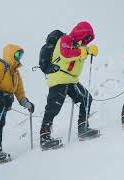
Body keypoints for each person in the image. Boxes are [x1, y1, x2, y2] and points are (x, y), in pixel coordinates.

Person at [40, 21, 100, 150]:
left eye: (89, 39)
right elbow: (66, 54)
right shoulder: (65, 39)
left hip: (72, 79)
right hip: (58, 76)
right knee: (53, 107)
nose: (86, 41)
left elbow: (77, 56)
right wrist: (86, 51)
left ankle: (83, 128)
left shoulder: (80, 47)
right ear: (81, 33)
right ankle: (44, 138)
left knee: (87, 98)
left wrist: (88, 52)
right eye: (86, 37)